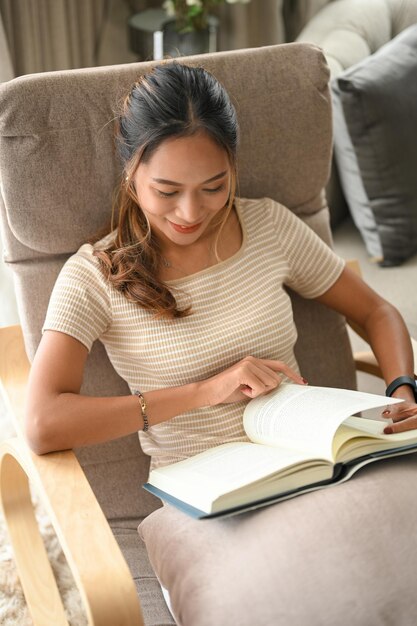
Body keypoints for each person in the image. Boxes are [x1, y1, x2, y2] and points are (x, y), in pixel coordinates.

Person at [25, 62, 417, 467]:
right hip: (207, 494)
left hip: (310, 462)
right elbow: (42, 423)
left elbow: (376, 311)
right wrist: (205, 391)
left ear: (232, 167)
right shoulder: (94, 276)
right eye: (167, 190)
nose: (191, 213)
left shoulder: (268, 226)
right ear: (131, 173)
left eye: (214, 186)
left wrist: (402, 389)